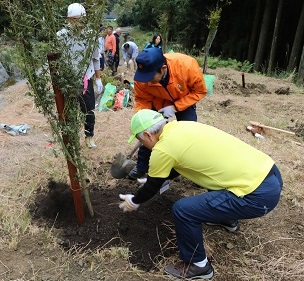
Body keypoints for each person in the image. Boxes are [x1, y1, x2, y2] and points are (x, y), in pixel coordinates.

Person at [119, 109, 283, 280]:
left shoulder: (163, 149)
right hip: (269, 172)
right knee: (213, 176)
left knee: (183, 210)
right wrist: (157, 178)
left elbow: (153, 186)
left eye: (140, 140)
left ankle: (198, 266)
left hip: (258, 195)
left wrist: (135, 200)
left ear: (148, 134)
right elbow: (178, 164)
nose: (142, 144)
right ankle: (226, 219)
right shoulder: (182, 127)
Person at [128, 47, 207, 179]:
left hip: (184, 99)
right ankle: (142, 166)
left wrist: (175, 107)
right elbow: (142, 99)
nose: (146, 80)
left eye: (151, 77)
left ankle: (181, 168)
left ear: (163, 68)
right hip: (157, 100)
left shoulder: (187, 66)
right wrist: (143, 118)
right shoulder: (142, 77)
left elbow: (199, 91)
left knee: (188, 134)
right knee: (148, 133)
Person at [57, 3, 103, 149]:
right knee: (68, 110)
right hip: (67, 80)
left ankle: (89, 136)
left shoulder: (91, 36)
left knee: (88, 110)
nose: (76, 23)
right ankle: (71, 138)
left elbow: (96, 59)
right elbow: (56, 61)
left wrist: (98, 78)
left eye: (79, 19)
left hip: (85, 78)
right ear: (68, 19)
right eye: (73, 19)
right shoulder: (61, 36)